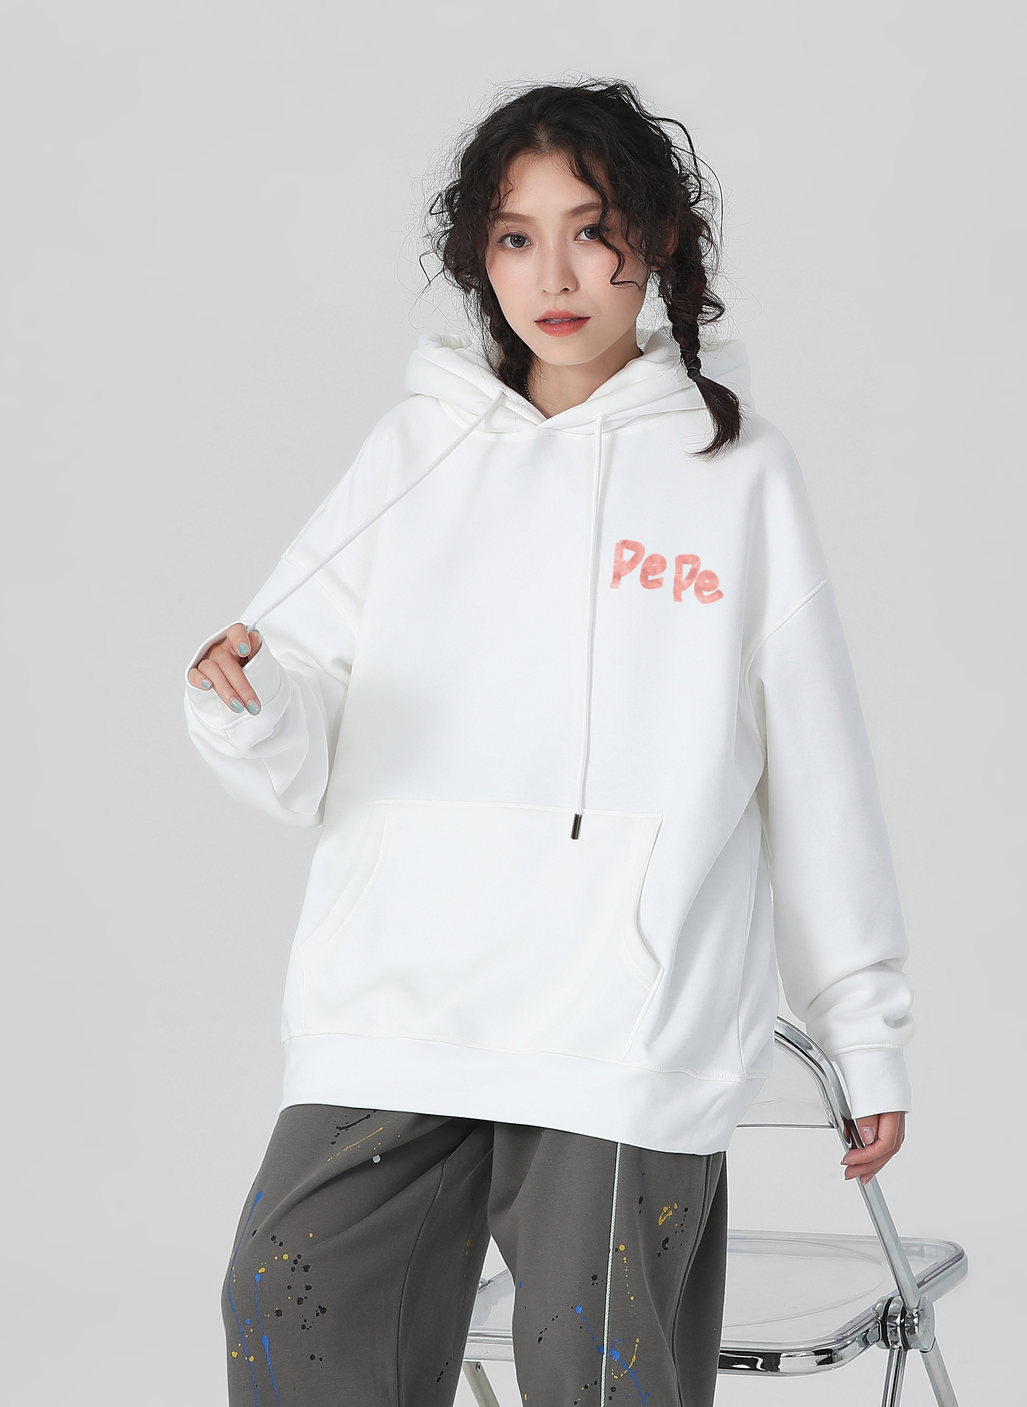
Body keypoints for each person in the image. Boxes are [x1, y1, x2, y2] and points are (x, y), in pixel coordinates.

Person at [184, 80, 914, 1407]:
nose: (556, 276)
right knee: (289, 1306)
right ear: (481, 256)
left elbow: (820, 773)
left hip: (622, 1024)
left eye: (592, 230)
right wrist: (249, 701)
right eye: (517, 238)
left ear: (660, 241)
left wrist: (861, 1030)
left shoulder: (734, 473)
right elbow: (303, 718)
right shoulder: (416, 451)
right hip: (401, 997)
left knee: (599, 1367)